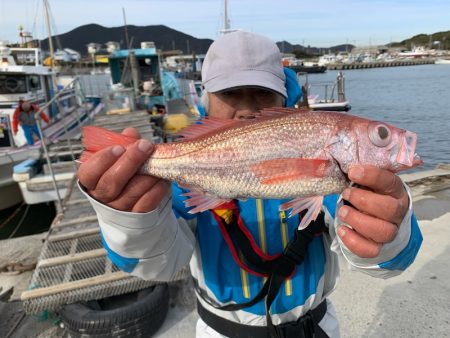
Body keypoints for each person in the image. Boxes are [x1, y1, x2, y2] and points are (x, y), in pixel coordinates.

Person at [77, 31, 422, 338]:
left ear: (283, 96)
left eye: (262, 93)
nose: (246, 109)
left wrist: (391, 228)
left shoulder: (333, 177)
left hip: (316, 328)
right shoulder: (181, 184)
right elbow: (158, 265)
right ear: (205, 98)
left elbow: (388, 262)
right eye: (230, 93)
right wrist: (130, 219)